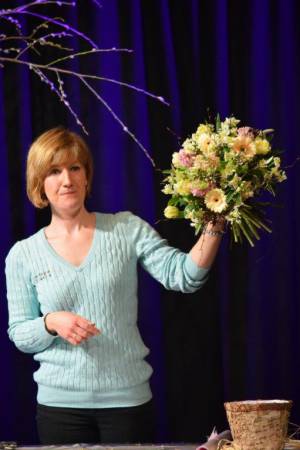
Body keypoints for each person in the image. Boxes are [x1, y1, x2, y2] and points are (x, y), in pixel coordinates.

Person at [5, 127, 224, 445]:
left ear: (86, 176)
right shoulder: (23, 254)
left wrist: (216, 220)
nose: (67, 180)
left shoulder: (126, 229)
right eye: (54, 171)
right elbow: (20, 334)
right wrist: (51, 322)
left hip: (127, 405)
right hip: (59, 408)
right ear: (39, 183)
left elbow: (184, 276)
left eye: (74, 168)